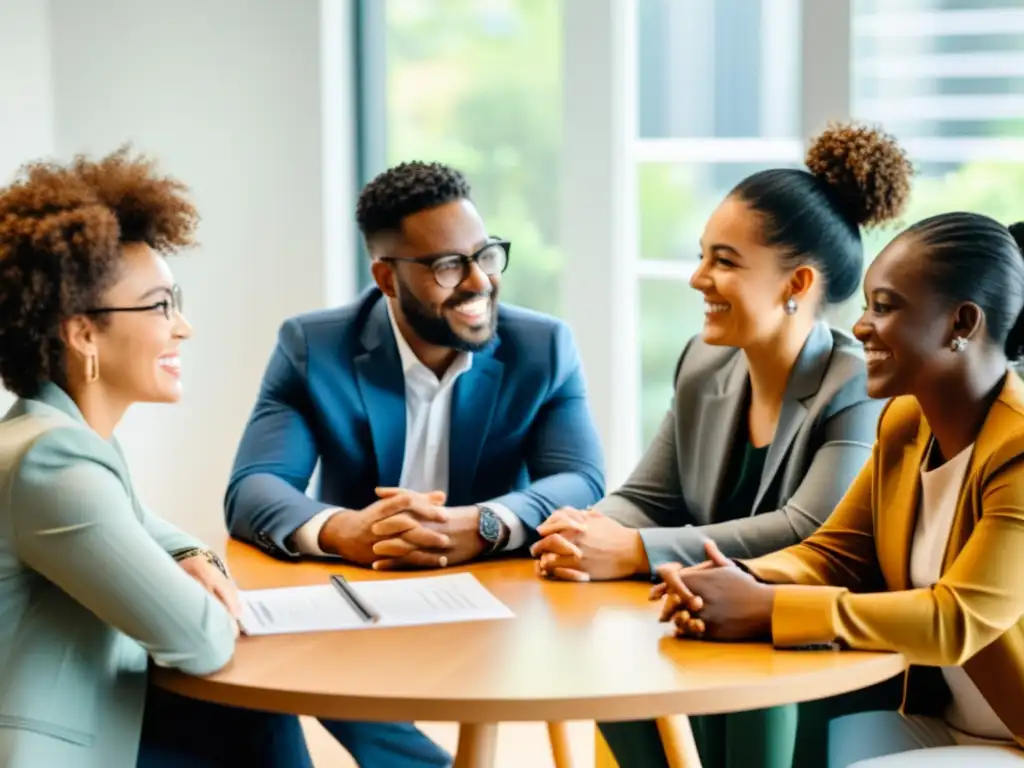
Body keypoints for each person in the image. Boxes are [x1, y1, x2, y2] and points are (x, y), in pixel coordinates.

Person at [530, 123, 913, 767]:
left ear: (796, 285)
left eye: (725, 261)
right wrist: (584, 530)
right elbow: (648, 495)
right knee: (601, 671)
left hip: (816, 654)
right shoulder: (705, 368)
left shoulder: (856, 385)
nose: (697, 278)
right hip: (717, 627)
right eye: (704, 254)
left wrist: (628, 550)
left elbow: (805, 528)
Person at [225, 160, 605, 766]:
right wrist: (342, 530)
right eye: (448, 266)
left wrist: (483, 523)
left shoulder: (543, 346)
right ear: (386, 276)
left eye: (485, 255)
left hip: (501, 586)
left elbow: (581, 478)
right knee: (281, 664)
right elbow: (254, 488)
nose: (478, 282)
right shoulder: (314, 347)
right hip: (365, 583)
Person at [657, 214, 1024, 767]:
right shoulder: (905, 423)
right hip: (945, 723)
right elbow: (834, 553)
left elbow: (958, 620)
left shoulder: (1017, 449)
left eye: (886, 306)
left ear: (961, 323)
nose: (860, 326)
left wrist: (771, 606)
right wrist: (737, 580)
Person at [0, 149, 313, 768]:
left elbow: (139, 521)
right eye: (159, 306)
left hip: (105, 705)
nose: (183, 328)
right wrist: (201, 589)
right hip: (60, 746)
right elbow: (197, 640)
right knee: (253, 706)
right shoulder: (53, 465)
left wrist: (192, 555)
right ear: (82, 332)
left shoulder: (54, 434)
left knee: (258, 717)